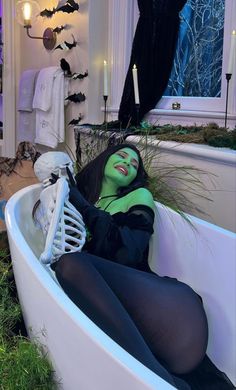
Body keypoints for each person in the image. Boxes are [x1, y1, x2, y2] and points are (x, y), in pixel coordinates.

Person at [51, 143, 209, 390]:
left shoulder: (139, 196)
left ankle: (158, 381)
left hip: (171, 318)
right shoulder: (79, 196)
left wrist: (83, 206)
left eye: (134, 164)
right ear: (104, 160)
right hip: (135, 330)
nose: (127, 163)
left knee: (71, 264)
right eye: (122, 156)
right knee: (68, 265)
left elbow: (127, 253)